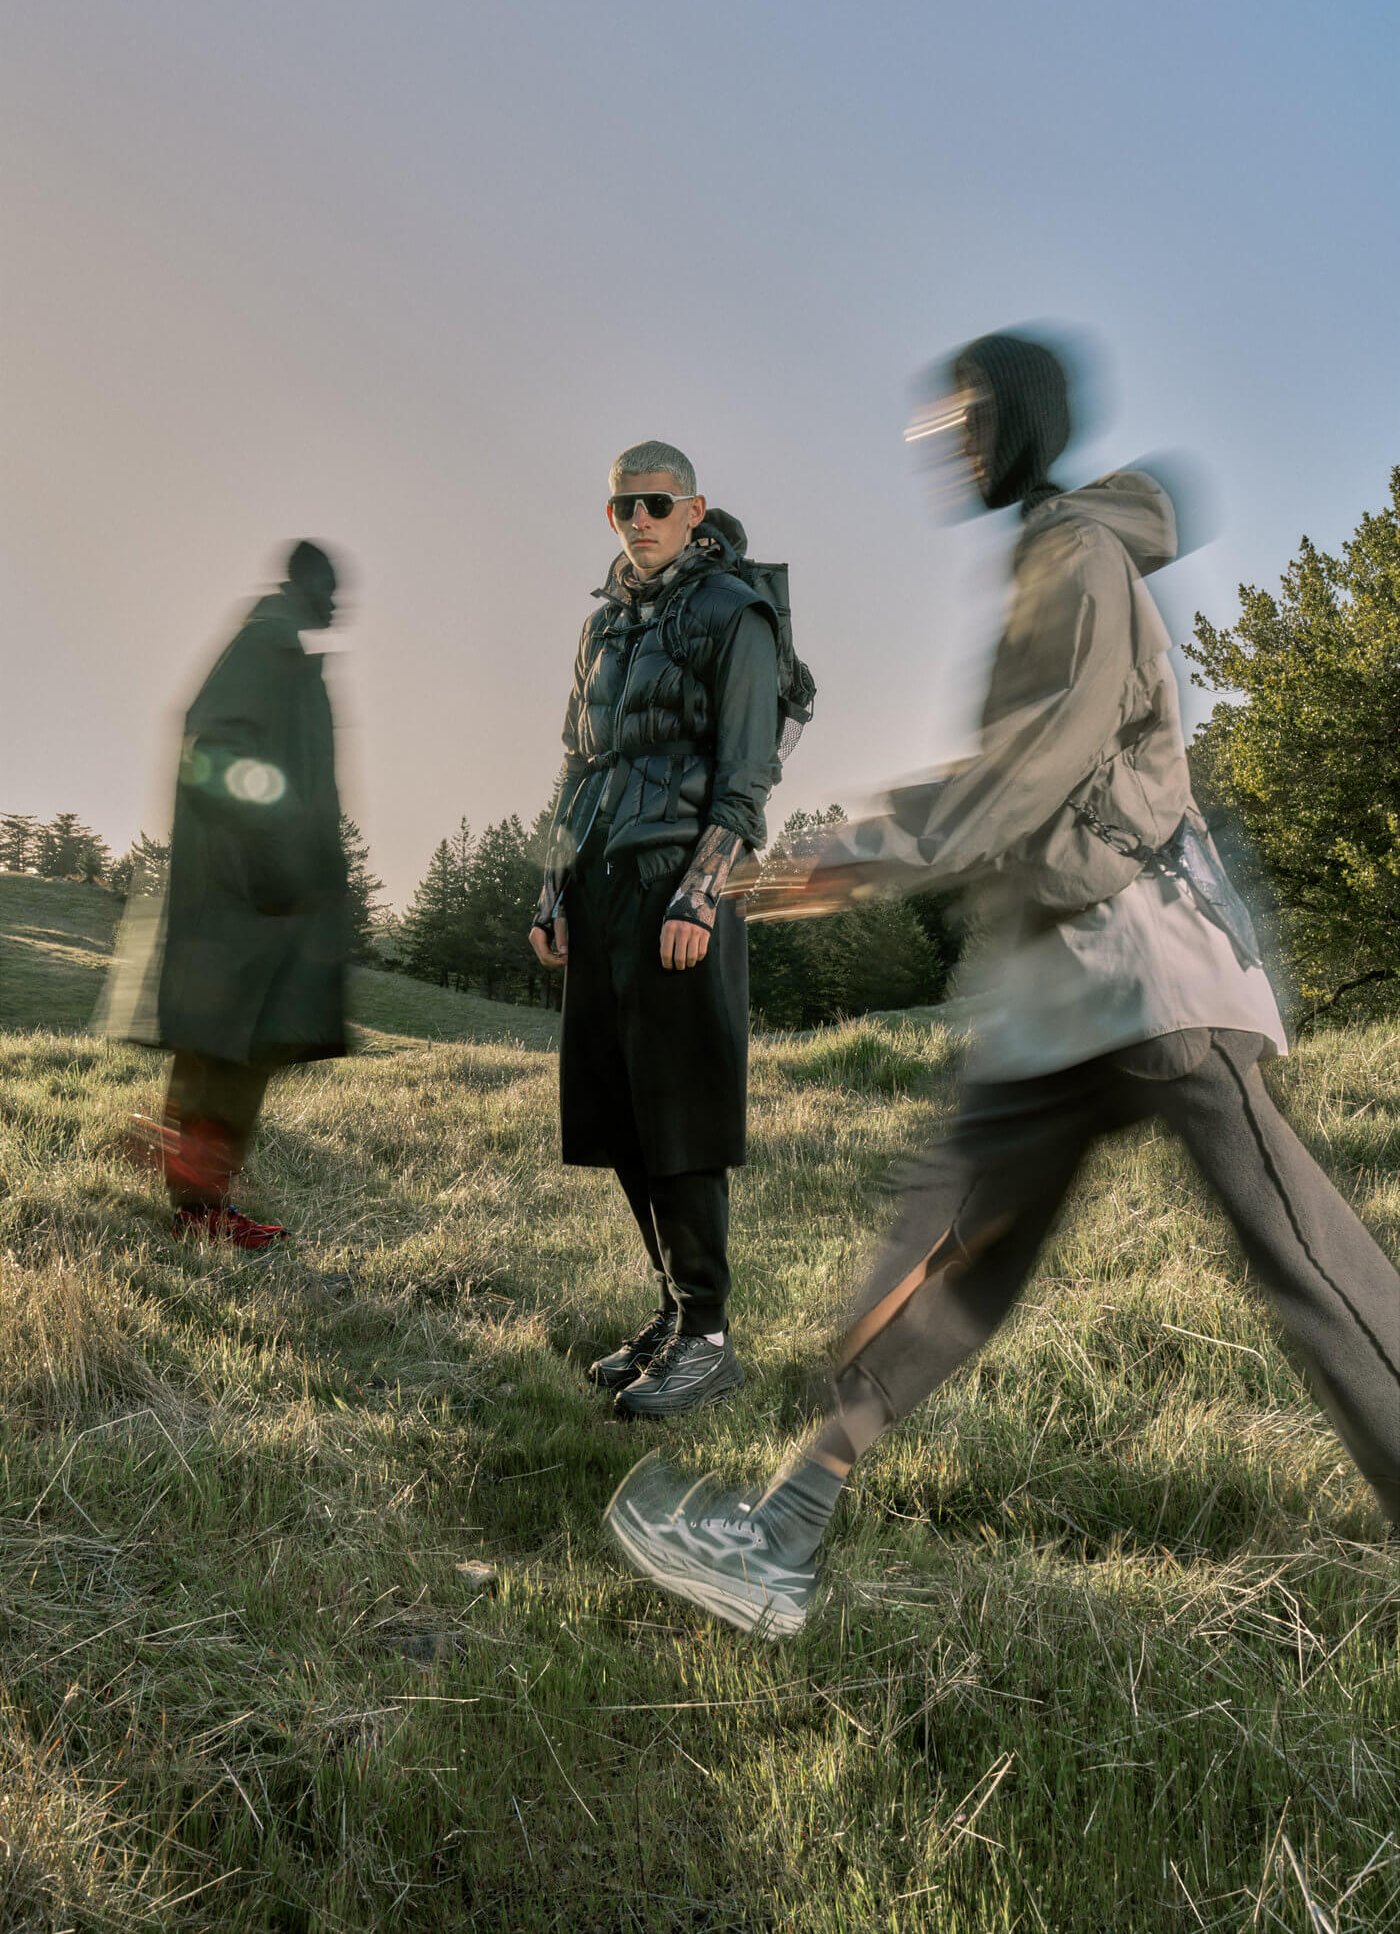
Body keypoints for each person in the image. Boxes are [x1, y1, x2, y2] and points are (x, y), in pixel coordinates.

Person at [606, 332, 1400, 1631]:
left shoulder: (1077, 556)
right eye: (940, 423)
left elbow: (1037, 767)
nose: (947, 443)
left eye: (966, 418)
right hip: (1053, 995)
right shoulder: (1046, 556)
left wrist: (866, 852)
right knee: (943, 1259)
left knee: (1306, 1260)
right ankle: (782, 1534)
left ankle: (782, 1530)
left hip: (1147, 974)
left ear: (1021, 420)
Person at [531, 440, 782, 1416]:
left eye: (656, 504)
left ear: (692, 509)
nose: (638, 520)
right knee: (622, 1115)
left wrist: (699, 894)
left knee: (679, 1116)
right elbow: (575, 763)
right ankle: (677, 1314)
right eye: (622, 507)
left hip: (678, 890)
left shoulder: (734, 612)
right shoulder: (602, 625)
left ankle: (709, 1339)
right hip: (599, 884)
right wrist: (551, 888)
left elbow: (747, 774)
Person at [99, 540, 350, 1249]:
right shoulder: (267, 645)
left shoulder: (278, 647)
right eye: (332, 591)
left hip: (256, 893)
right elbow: (214, 748)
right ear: (308, 587)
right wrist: (274, 853)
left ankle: (190, 1187)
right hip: (248, 896)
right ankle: (201, 1209)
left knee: (226, 1047)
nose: (338, 607)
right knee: (235, 1049)